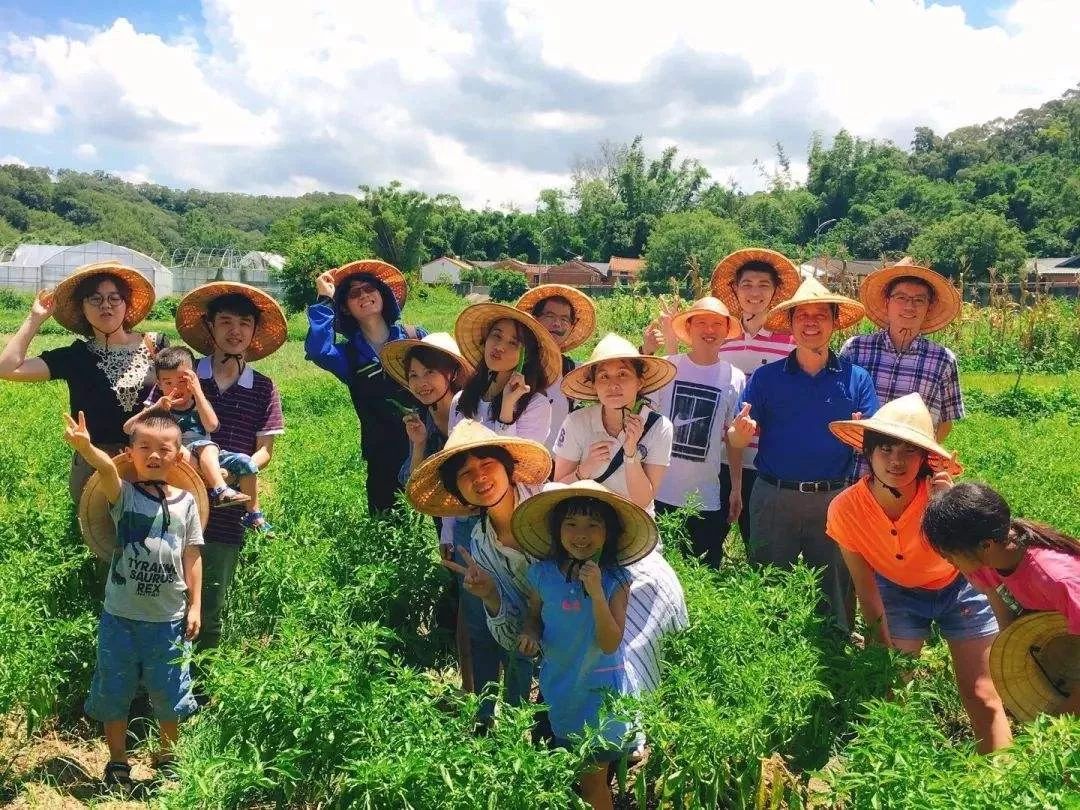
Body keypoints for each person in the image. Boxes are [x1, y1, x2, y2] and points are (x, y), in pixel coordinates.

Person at [825, 393, 1012, 752]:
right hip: (898, 593)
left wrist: (949, 510)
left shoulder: (940, 496)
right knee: (894, 690)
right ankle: (898, 771)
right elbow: (865, 589)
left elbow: (980, 558)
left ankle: (1000, 786)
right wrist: (882, 646)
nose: (896, 461)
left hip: (959, 588)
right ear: (868, 452)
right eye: (886, 449)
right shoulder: (845, 509)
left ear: (925, 458)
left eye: (909, 451)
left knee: (982, 693)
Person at [63, 410, 206, 789]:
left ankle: (169, 756)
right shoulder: (122, 494)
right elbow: (107, 470)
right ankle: (117, 762)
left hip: (168, 618)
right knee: (115, 688)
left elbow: (192, 554)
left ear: (178, 454)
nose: (154, 454)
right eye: (144, 447)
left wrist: (195, 606)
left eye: (164, 448)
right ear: (132, 451)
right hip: (120, 617)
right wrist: (87, 447)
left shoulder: (187, 503)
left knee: (170, 690)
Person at [728, 276, 879, 633]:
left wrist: (863, 439)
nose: (811, 323)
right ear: (792, 324)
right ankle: (768, 652)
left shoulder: (856, 379)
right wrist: (739, 433)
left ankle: (836, 653)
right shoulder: (767, 377)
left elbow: (872, 442)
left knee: (835, 590)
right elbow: (736, 438)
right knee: (768, 587)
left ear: (834, 322)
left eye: (820, 316)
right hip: (773, 494)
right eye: (803, 316)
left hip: (834, 497)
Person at [514, 481, 656, 810]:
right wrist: (530, 634)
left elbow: (609, 642)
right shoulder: (542, 575)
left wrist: (595, 593)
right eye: (572, 524)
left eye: (594, 525)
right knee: (561, 776)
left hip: (601, 696)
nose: (582, 534)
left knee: (593, 783)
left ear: (609, 533)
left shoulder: (615, 580)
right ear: (557, 529)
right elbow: (534, 616)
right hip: (559, 690)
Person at [405, 420, 553, 730]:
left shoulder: (549, 509)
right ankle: (507, 727)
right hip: (544, 649)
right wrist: (490, 595)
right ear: (458, 490)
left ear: (508, 468)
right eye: (465, 474)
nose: (480, 477)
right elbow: (511, 633)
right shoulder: (480, 543)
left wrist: (535, 619)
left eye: (487, 463)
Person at [174, 282, 286, 653]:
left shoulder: (264, 387)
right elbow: (157, 430)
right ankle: (160, 685)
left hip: (227, 508)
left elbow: (264, 451)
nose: (235, 331)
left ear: (254, 331)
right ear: (209, 327)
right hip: (176, 500)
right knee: (166, 596)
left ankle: (203, 689)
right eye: (225, 321)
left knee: (212, 603)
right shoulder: (185, 376)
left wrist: (235, 472)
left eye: (244, 323)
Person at [0, 262, 164, 500]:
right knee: (99, 536)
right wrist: (35, 318)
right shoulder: (75, 356)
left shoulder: (155, 346)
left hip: (151, 462)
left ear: (126, 304)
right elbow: (6, 368)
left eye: (114, 298)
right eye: (95, 299)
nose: (105, 305)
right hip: (94, 464)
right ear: (82, 310)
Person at [923, 482, 1080, 718]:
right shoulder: (987, 561)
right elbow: (1011, 630)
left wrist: (1061, 719)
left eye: (950, 555)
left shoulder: (1056, 578)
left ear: (986, 545)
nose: (948, 561)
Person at [306, 260, 427, 515]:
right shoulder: (348, 356)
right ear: (346, 308)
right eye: (353, 293)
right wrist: (324, 300)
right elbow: (318, 350)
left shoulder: (414, 337)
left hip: (427, 444)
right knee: (386, 526)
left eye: (369, 288)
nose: (363, 295)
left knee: (439, 522)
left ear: (382, 294)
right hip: (382, 455)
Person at [647, 296, 747, 567]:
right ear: (689, 328)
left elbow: (732, 438)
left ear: (727, 331)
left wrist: (735, 488)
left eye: (717, 323)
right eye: (701, 322)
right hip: (659, 494)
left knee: (703, 576)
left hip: (706, 498)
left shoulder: (734, 377)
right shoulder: (668, 367)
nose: (709, 330)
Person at [841, 258, 964, 476]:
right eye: (901, 298)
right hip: (856, 470)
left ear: (928, 307)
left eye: (919, 300)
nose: (909, 306)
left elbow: (945, 423)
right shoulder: (855, 349)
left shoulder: (943, 360)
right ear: (887, 302)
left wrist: (914, 451)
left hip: (910, 476)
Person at [710, 249, 799, 541]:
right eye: (747, 284)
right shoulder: (722, 340)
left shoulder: (791, 344)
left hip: (766, 463)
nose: (755, 292)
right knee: (710, 541)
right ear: (735, 289)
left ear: (775, 292)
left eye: (764, 285)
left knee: (759, 545)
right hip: (721, 458)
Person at [553, 333, 676, 515]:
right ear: (594, 385)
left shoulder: (659, 427)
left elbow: (643, 501)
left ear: (639, 383)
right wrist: (585, 469)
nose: (613, 385)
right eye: (603, 376)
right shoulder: (576, 422)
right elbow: (557, 489)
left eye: (622, 374)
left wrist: (631, 454)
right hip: (584, 523)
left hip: (635, 527)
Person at [124, 345, 257, 511]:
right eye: (168, 383)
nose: (176, 388)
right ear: (159, 384)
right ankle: (220, 488)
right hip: (178, 459)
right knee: (189, 446)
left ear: (194, 379)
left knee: (244, 461)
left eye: (183, 381)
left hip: (209, 459)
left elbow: (212, 426)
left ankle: (253, 512)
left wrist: (198, 392)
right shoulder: (159, 409)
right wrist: (155, 408)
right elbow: (128, 428)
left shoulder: (199, 404)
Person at [380, 332, 474, 487]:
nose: (421, 383)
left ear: (453, 373)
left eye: (429, 372)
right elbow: (415, 484)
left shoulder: (472, 412)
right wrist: (419, 443)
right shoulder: (421, 420)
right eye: (413, 375)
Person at [515, 284, 597, 449]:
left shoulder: (572, 370)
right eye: (550, 316)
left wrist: (646, 351)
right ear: (534, 319)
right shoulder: (514, 362)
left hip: (557, 468)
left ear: (572, 326)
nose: (557, 324)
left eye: (565, 319)